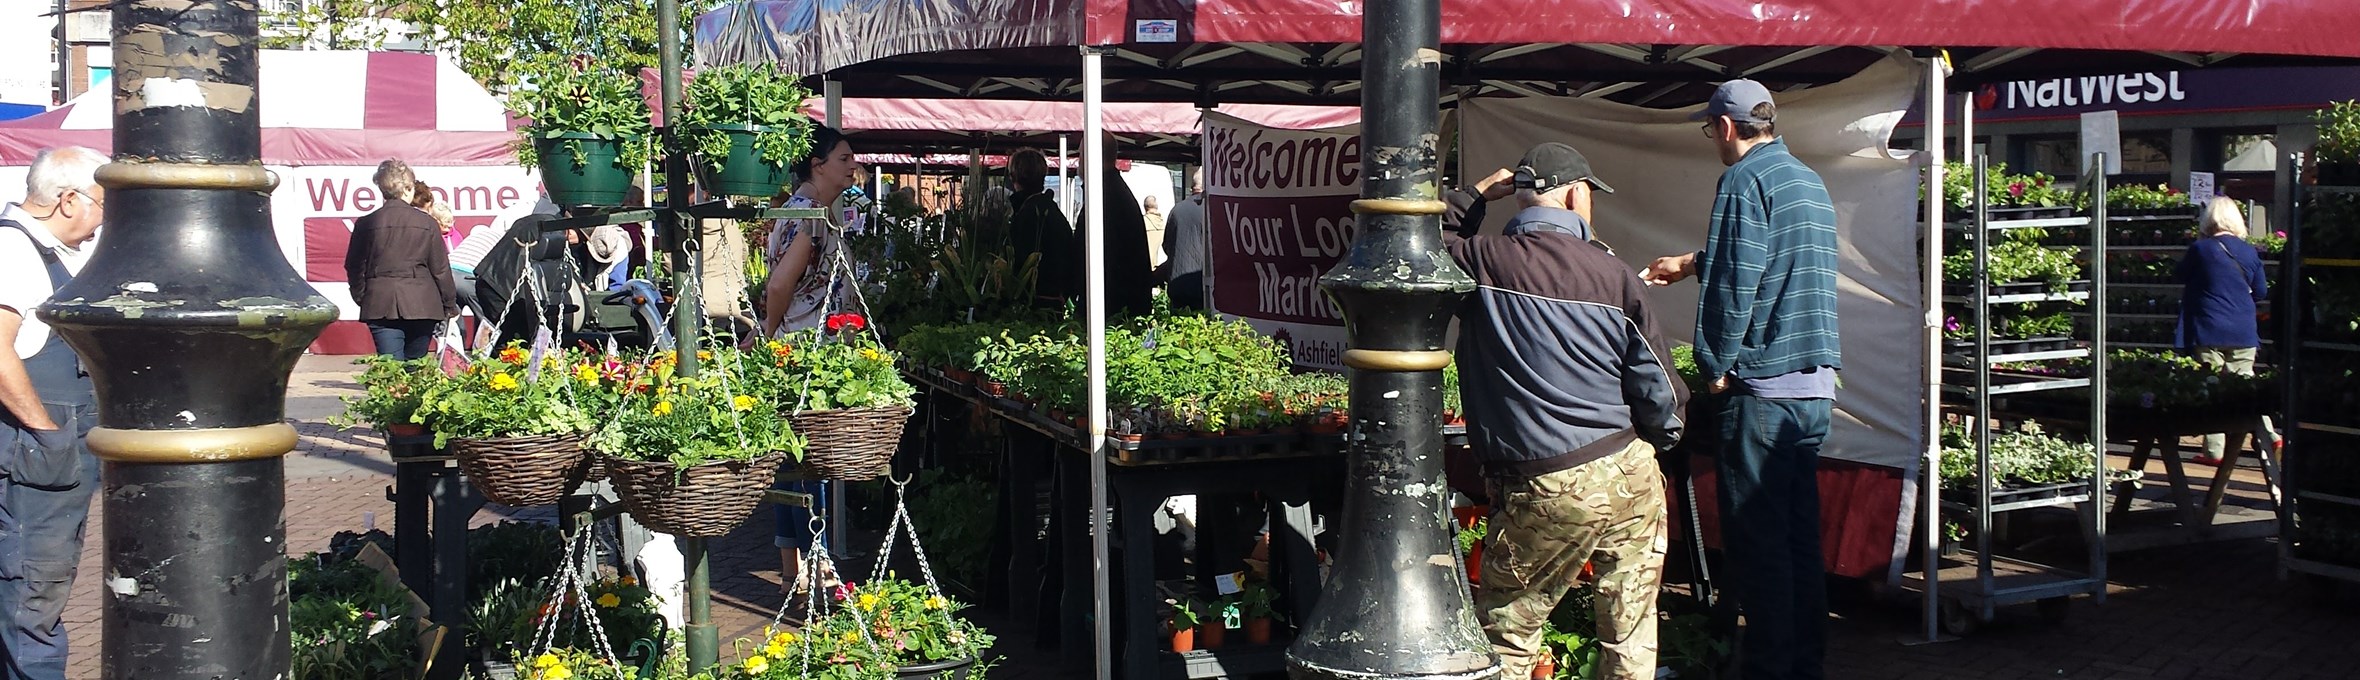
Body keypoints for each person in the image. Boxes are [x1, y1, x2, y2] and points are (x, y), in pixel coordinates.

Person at [1448, 142, 1684, 680]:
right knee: (1630, 634)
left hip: (1543, 482)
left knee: (1509, 637)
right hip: (1627, 470)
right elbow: (1660, 389)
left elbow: (1416, 240)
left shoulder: (1482, 261)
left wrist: (1478, 193)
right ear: (1578, 193)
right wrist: (1661, 441)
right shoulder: (1615, 274)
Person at [1642, 79, 1841, 680]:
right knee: (1798, 540)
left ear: (1725, 127)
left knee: (1758, 548)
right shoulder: (1807, 181)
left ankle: (1770, 668)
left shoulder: (1742, 180)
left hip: (1762, 389)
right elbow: (1767, 258)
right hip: (1812, 389)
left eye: (1711, 131)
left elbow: (1737, 288)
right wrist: (1693, 262)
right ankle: (1805, 664)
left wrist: (1715, 368)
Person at [0, 146, 106, 680]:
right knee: (31, 603)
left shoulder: (53, 253)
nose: (100, 224)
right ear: (69, 199)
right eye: (101, 206)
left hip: (54, 456)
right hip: (33, 461)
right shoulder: (12, 251)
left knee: (37, 593)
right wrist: (47, 432)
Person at [759, 125, 864, 597]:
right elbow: (781, 282)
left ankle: (790, 567)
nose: (852, 166)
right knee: (813, 461)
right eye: (843, 159)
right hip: (808, 350)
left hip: (794, 344)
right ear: (818, 164)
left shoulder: (799, 209)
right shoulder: (810, 216)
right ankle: (817, 562)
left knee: (790, 461)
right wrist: (767, 331)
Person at [2177, 196, 2277, 465]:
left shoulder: (2200, 249)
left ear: (2208, 219)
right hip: (2243, 327)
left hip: (2209, 326)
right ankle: (2269, 432)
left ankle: (2214, 451)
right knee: (2244, 382)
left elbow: (2180, 276)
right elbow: (2261, 291)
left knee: (2212, 386)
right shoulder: (2249, 251)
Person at [345, 160, 460, 360]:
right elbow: (440, 270)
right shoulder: (427, 223)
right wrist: (449, 305)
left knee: (390, 369)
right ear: (408, 189)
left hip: (380, 302)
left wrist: (362, 295)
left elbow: (354, 266)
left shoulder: (365, 223)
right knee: (415, 368)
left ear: (381, 188)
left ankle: (393, 391)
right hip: (423, 304)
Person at [1081, 144, 1156, 319]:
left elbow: (1089, 251)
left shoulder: (1104, 195)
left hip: (1112, 308)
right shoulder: (1113, 190)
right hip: (1123, 304)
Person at [1005, 148, 1080, 308]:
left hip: (1031, 303)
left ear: (1013, 177)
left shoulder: (1026, 214)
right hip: (1055, 300)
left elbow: (1017, 262)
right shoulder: (1053, 212)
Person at [1159, 170, 1209, 310]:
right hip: (1202, 290)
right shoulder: (1209, 209)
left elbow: (1167, 246)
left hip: (1178, 287)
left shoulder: (1176, 210)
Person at [1142, 194, 1168, 266]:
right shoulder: (1162, 223)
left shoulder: (1143, 222)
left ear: (1145, 207)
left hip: (1143, 266)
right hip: (1158, 267)